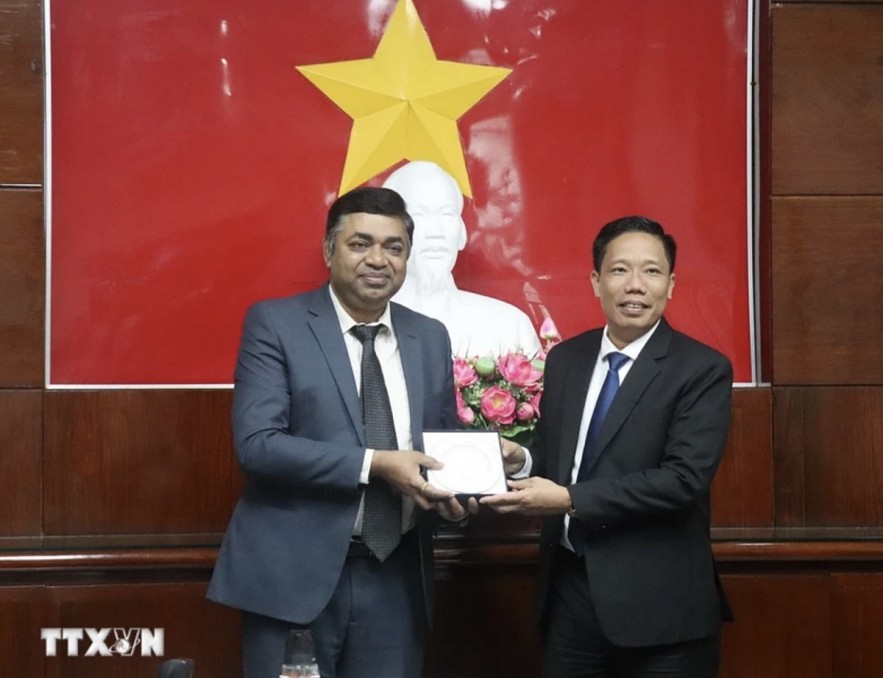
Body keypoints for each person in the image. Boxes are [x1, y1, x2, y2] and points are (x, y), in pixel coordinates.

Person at [207, 186, 469, 678]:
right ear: (329, 250)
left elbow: (437, 443)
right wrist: (376, 463)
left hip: (396, 575)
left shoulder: (428, 335)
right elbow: (257, 445)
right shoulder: (276, 323)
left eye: (393, 247)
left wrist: (470, 481)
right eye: (360, 243)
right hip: (294, 577)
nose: (378, 259)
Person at [481, 215, 733, 677]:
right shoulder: (566, 359)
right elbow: (564, 454)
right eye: (619, 270)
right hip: (570, 596)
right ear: (596, 281)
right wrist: (524, 457)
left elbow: (682, 481)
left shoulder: (701, 369)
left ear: (671, 284)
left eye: (651, 271)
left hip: (662, 611)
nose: (635, 285)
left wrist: (568, 499)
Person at [383, 160, 542, 357]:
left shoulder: (508, 325)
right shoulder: (362, 326)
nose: (436, 231)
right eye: (419, 215)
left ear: (462, 234)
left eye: (447, 214)